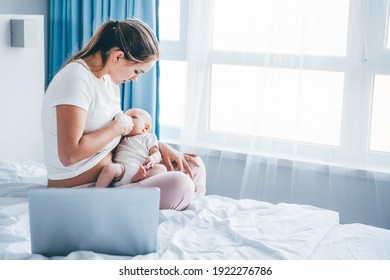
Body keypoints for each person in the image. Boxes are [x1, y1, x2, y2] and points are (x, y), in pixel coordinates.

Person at [41, 18, 206, 210]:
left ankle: (139, 193)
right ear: (118, 57)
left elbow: (118, 132)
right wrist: (116, 127)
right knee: (181, 185)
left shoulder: (109, 79)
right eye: (137, 71)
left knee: (193, 165)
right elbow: (69, 154)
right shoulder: (76, 80)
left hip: (117, 175)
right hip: (79, 189)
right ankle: (110, 202)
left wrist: (160, 147)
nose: (135, 79)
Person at [95, 108, 167, 187]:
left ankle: (139, 178)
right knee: (109, 169)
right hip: (122, 170)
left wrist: (153, 158)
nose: (127, 120)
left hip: (142, 168)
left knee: (161, 169)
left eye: (133, 117)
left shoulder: (148, 137)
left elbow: (156, 152)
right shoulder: (120, 137)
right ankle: (97, 192)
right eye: (125, 117)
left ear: (145, 128)